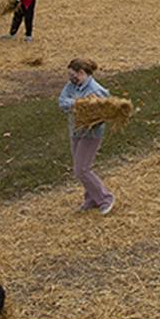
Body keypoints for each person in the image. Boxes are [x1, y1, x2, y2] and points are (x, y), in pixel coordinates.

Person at [58, 57, 117, 213]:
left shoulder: (96, 90)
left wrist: (75, 104)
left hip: (91, 135)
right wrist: (79, 104)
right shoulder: (71, 86)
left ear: (82, 73)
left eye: (73, 75)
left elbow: (103, 112)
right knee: (81, 168)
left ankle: (105, 198)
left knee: (81, 170)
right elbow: (62, 102)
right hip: (76, 131)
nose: (70, 79)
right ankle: (91, 199)